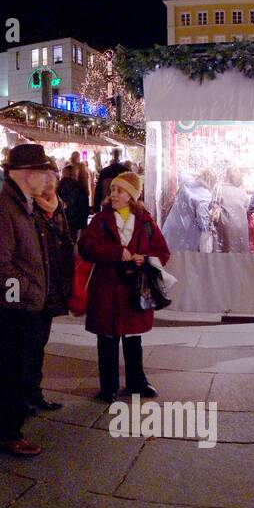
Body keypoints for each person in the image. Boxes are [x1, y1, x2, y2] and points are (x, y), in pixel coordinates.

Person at [0, 142, 66, 456]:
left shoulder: (22, 203)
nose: (47, 177)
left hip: (15, 304)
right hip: (8, 306)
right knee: (9, 370)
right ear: (25, 174)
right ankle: (8, 432)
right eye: (42, 171)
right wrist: (30, 290)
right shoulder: (3, 208)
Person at [78, 171, 170, 402]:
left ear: (132, 195)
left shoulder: (146, 221)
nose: (114, 195)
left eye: (120, 191)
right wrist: (117, 253)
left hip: (135, 290)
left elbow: (162, 251)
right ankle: (108, 386)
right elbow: (86, 247)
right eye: (113, 190)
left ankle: (136, 381)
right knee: (107, 338)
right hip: (106, 289)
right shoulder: (100, 220)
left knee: (133, 337)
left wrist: (144, 257)